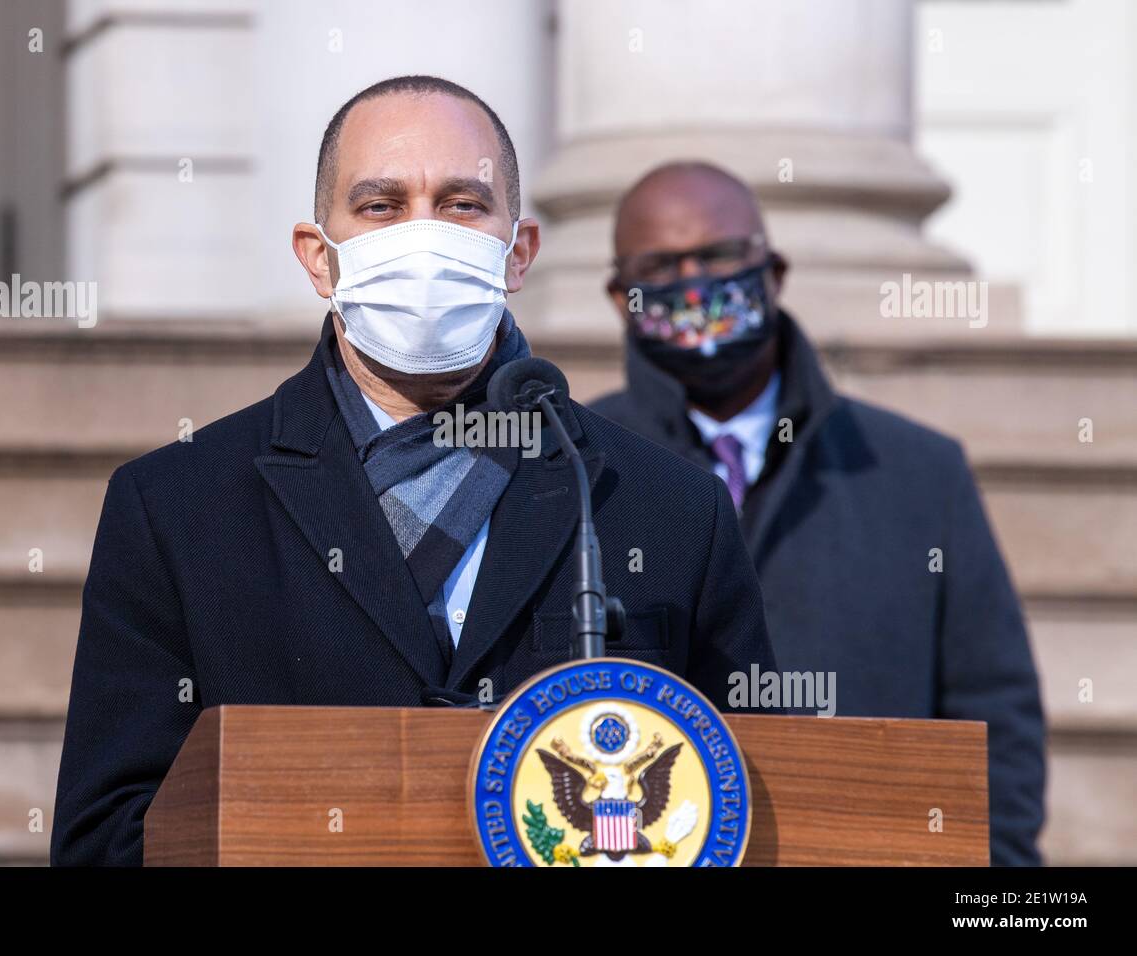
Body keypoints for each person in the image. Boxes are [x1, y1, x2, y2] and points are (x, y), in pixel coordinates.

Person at [50, 80, 776, 866]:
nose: (423, 234)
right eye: (381, 206)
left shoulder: (669, 507)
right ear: (318, 258)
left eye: (463, 204)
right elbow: (107, 837)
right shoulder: (177, 510)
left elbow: (761, 798)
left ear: (519, 251)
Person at [590, 161, 1045, 865]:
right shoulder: (577, 471)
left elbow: (996, 706)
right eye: (662, 265)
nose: (694, 281)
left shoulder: (918, 471)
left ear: (773, 271)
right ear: (622, 296)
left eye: (718, 256)